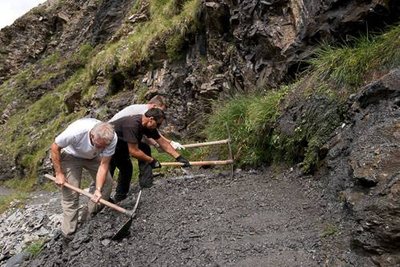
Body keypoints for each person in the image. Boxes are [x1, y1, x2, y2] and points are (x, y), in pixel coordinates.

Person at [50, 118, 117, 239]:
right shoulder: (76, 132)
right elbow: (55, 147)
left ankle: (89, 215)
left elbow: (104, 165)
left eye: (103, 147)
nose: (101, 148)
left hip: (93, 158)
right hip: (71, 156)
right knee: (71, 194)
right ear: (92, 135)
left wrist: (97, 189)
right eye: (98, 145)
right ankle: (68, 234)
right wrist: (59, 173)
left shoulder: (111, 138)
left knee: (107, 184)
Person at [110, 108, 190, 202]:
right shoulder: (132, 125)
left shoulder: (148, 126)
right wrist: (151, 160)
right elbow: (134, 151)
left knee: (144, 148)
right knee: (120, 169)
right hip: (109, 147)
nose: (158, 127)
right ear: (151, 119)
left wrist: (179, 157)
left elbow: (162, 143)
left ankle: (146, 185)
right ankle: (104, 200)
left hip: (123, 143)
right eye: (158, 124)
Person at [109, 95, 185, 150]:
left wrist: (160, 144)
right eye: (160, 110)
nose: (160, 113)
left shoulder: (141, 109)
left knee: (144, 149)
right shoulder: (145, 113)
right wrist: (169, 143)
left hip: (117, 131)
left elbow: (150, 134)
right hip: (111, 133)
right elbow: (152, 134)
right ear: (154, 106)